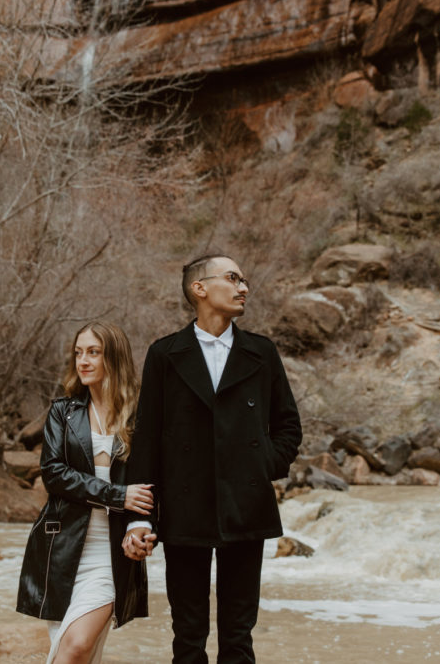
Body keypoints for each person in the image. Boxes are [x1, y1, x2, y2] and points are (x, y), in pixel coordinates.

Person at [122, 254, 302, 663]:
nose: (244, 288)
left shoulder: (262, 352)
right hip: (185, 508)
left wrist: (263, 467)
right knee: (187, 637)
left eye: (244, 281)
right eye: (234, 278)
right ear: (199, 288)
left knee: (239, 638)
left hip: (247, 506)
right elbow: (146, 437)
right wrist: (139, 517)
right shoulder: (165, 354)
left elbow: (288, 426)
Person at [17, 321, 156, 663]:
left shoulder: (143, 416)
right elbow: (53, 474)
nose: (83, 361)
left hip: (110, 555)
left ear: (115, 357)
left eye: (93, 352)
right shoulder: (63, 412)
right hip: (59, 551)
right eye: (79, 353)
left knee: (76, 646)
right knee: (76, 652)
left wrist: (143, 527)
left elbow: (155, 481)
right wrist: (116, 494)